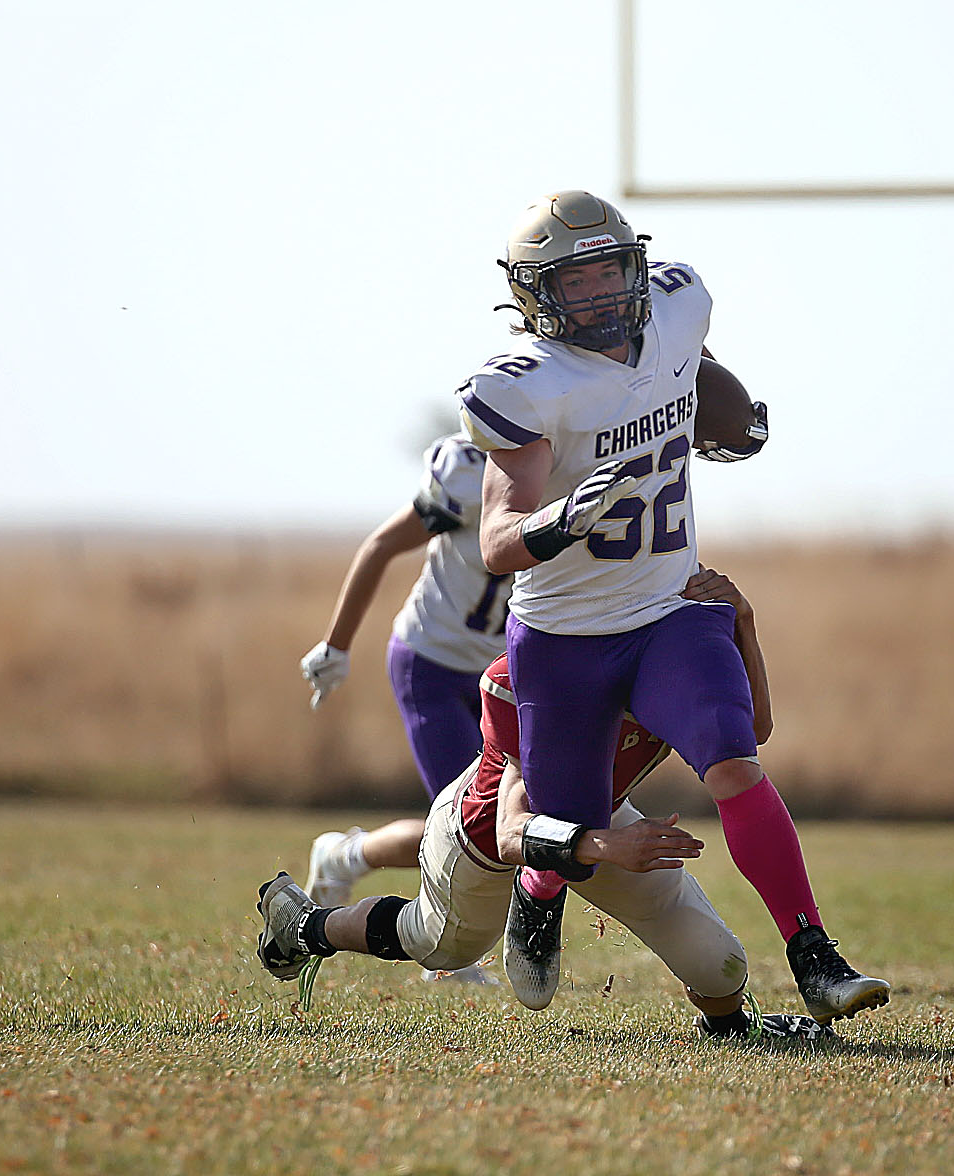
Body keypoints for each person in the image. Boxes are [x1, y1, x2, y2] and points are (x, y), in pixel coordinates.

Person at [457, 190, 887, 1024]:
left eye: (612, 271)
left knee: (733, 760)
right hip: (566, 632)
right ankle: (540, 892)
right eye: (575, 283)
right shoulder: (531, 386)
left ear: (636, 265)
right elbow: (498, 542)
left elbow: (691, 365)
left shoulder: (680, 302)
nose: (603, 295)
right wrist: (561, 520)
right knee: (568, 820)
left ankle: (815, 955)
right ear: (536, 296)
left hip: (668, 604)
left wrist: (728, 411)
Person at [258, 569, 830, 1040]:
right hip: (483, 839)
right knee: (437, 944)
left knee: (720, 964)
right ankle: (308, 925)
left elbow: (750, 729)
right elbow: (513, 830)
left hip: (600, 822)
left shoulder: (674, 664)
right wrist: (613, 846)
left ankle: (731, 1027)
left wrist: (744, 624)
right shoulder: (540, 671)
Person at [298, 434, 511, 982]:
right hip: (432, 663)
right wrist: (337, 644)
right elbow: (381, 546)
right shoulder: (470, 477)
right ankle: (351, 862)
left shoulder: (572, 471)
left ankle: (347, 858)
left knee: (505, 818)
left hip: (501, 675)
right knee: (469, 824)